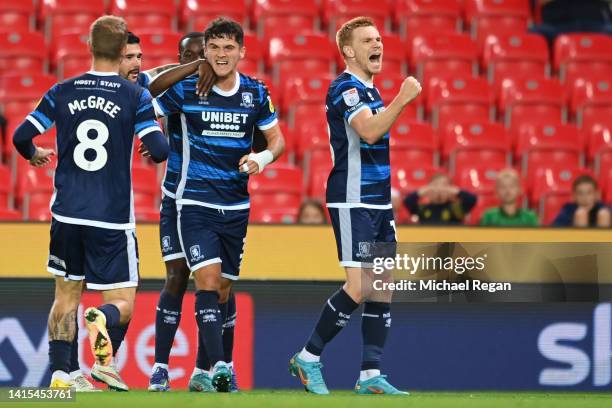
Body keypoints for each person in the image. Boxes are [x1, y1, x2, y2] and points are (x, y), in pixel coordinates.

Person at [12, 15, 168, 391]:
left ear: (89, 47)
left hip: (66, 212)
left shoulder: (61, 90)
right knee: (123, 302)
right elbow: (159, 150)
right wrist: (151, 140)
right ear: (121, 52)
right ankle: (102, 322)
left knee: (66, 295)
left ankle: (62, 376)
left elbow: (21, 136)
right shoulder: (135, 95)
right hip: (111, 218)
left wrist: (34, 154)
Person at [147, 18, 285, 392]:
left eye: (229, 48)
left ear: (241, 51)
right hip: (190, 200)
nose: (221, 55)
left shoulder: (256, 93)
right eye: (215, 47)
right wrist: (151, 136)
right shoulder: (186, 90)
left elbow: (277, 140)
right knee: (196, 279)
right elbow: (144, 93)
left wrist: (262, 159)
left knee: (223, 289)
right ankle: (214, 367)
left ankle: (202, 372)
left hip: (237, 205)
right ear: (205, 51)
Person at [289, 17, 421, 395]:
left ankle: (370, 375)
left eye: (379, 38)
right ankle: (308, 357)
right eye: (367, 40)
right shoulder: (345, 88)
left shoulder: (370, 90)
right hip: (352, 199)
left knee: (381, 287)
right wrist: (403, 97)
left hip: (378, 202)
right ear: (348, 50)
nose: (377, 44)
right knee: (360, 285)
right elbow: (369, 131)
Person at [403, 173, 477, 225]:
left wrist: (454, 191)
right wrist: (423, 191)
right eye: (435, 185)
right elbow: (408, 201)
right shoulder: (423, 208)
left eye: (444, 185)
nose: (440, 189)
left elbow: (471, 199)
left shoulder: (456, 208)